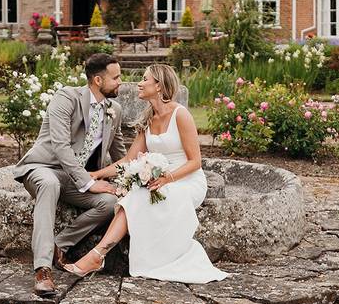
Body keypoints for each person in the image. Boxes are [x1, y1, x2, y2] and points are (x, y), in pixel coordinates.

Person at [64, 63, 227, 284]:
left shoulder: (181, 114)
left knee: (138, 195)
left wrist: (166, 178)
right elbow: (129, 160)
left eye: (144, 79)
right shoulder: (148, 118)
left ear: (158, 85)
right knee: (136, 195)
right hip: (159, 181)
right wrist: (95, 174)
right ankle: (98, 255)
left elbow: (195, 162)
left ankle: (97, 255)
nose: (138, 83)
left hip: (186, 181)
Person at [13, 53, 127, 297]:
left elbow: (121, 156)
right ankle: (43, 269)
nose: (120, 82)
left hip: (73, 178)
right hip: (43, 168)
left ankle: (59, 245)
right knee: (50, 184)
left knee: (110, 202)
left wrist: (131, 182)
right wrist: (88, 182)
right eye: (116, 77)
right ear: (98, 80)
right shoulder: (67, 97)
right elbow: (60, 146)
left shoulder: (114, 110)